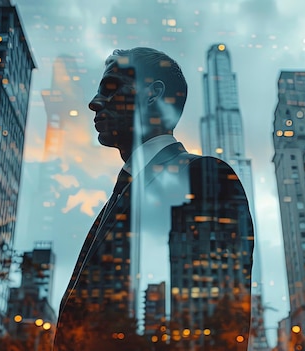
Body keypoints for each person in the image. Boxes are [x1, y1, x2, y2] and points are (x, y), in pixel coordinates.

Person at [53, 47, 254, 351]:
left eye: (110, 88)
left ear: (151, 94)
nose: (94, 103)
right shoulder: (121, 194)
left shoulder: (203, 176)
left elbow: (216, 320)